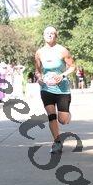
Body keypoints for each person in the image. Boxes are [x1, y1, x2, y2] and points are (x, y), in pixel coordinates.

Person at [35, 26, 75, 154]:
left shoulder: (62, 51)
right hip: (46, 88)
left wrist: (62, 75)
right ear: (43, 35)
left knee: (63, 120)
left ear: (56, 36)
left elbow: (72, 66)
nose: (49, 35)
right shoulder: (39, 53)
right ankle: (57, 143)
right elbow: (37, 70)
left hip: (62, 89)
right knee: (51, 116)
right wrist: (39, 78)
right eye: (47, 33)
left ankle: (66, 114)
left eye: (52, 33)